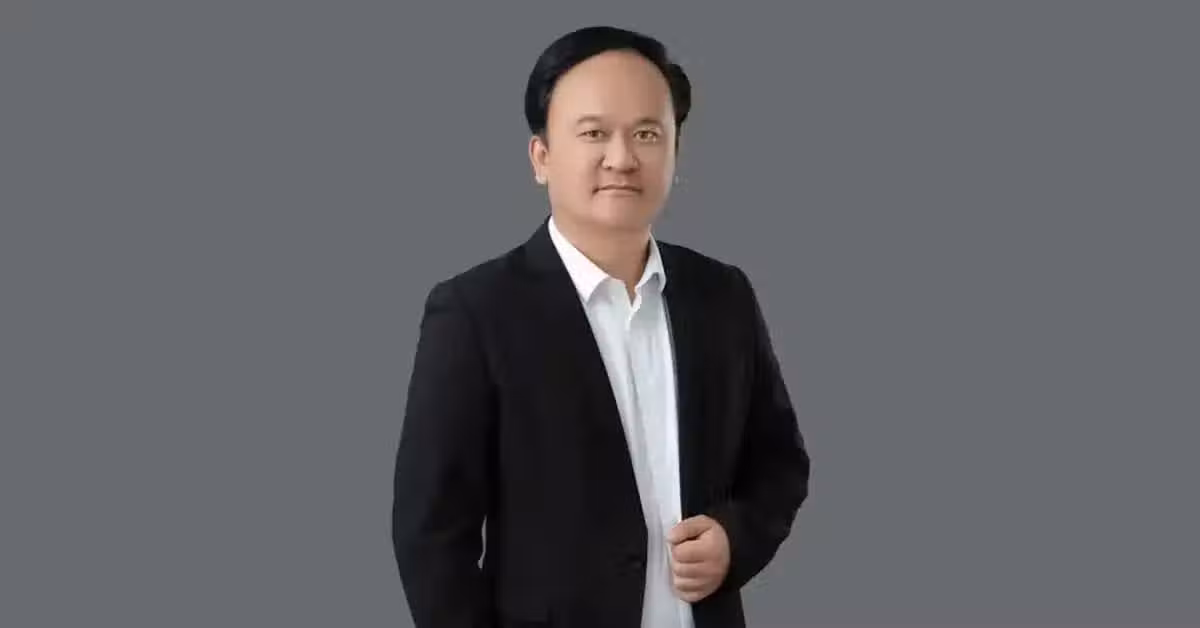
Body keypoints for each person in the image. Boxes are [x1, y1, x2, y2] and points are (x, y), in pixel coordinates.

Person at [391, 25, 811, 628]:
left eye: (647, 134)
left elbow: (779, 462)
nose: (622, 158)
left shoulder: (722, 296)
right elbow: (431, 535)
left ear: (675, 151)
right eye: (593, 133)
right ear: (541, 157)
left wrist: (734, 537)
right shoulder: (474, 312)